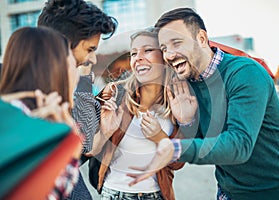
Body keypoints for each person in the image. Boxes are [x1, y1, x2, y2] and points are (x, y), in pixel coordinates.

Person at [127, 8, 279, 200]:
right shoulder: (187, 82)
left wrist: (174, 148)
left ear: (201, 38)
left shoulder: (245, 73)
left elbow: (239, 145)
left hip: (277, 193)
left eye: (176, 43)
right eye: (164, 48)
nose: (169, 55)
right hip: (228, 192)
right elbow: (208, 143)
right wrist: (187, 122)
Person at [88, 28, 184, 200]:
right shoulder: (114, 92)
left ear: (164, 56)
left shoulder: (178, 99)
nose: (138, 57)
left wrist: (160, 137)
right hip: (114, 194)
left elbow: (178, 163)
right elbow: (89, 149)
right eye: (133, 53)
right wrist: (106, 132)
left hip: (157, 195)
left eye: (147, 50)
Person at [38, 0, 117, 198]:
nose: (93, 59)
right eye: (90, 49)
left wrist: (103, 135)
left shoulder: (56, 93)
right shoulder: (13, 94)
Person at [0, 26, 81, 199]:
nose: (77, 74)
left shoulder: (9, 112)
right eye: (74, 64)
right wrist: (71, 144)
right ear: (57, 70)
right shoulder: (36, 128)